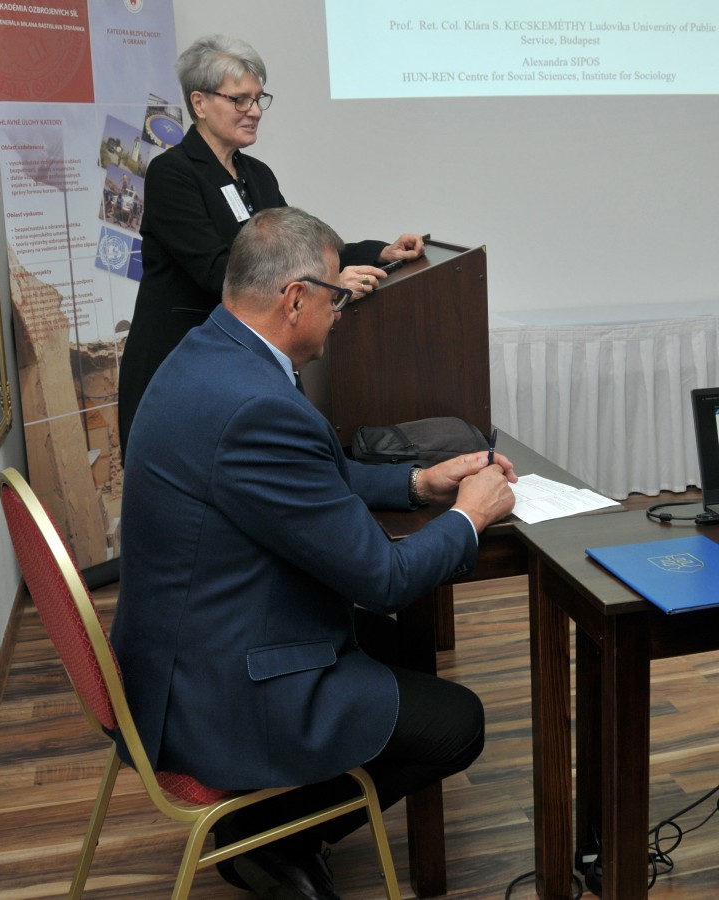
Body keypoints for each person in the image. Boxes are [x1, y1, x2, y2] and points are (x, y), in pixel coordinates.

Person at [111, 207, 517, 900]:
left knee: (400, 649)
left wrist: (417, 482)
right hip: (217, 689)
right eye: (336, 297)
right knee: (458, 723)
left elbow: (306, 476)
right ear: (295, 298)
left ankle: (281, 835)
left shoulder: (209, 350)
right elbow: (384, 578)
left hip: (185, 645)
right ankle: (266, 836)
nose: (340, 314)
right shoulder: (257, 406)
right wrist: (470, 517)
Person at [117, 34, 425, 462]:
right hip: (184, 364)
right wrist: (329, 285)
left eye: (259, 99)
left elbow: (300, 250)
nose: (255, 111)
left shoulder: (256, 174)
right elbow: (221, 273)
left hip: (244, 365)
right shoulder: (172, 174)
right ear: (200, 103)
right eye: (240, 100)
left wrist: (379, 253)